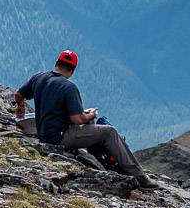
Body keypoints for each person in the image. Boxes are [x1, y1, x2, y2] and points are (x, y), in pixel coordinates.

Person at [15, 50, 155, 188]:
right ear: (72, 70)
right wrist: (91, 114)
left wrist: (21, 106)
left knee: (89, 122)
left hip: (44, 130)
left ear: (57, 63)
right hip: (58, 137)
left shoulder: (39, 77)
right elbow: (77, 119)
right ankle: (139, 176)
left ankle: (105, 162)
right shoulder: (68, 87)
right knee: (109, 131)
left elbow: (19, 95)